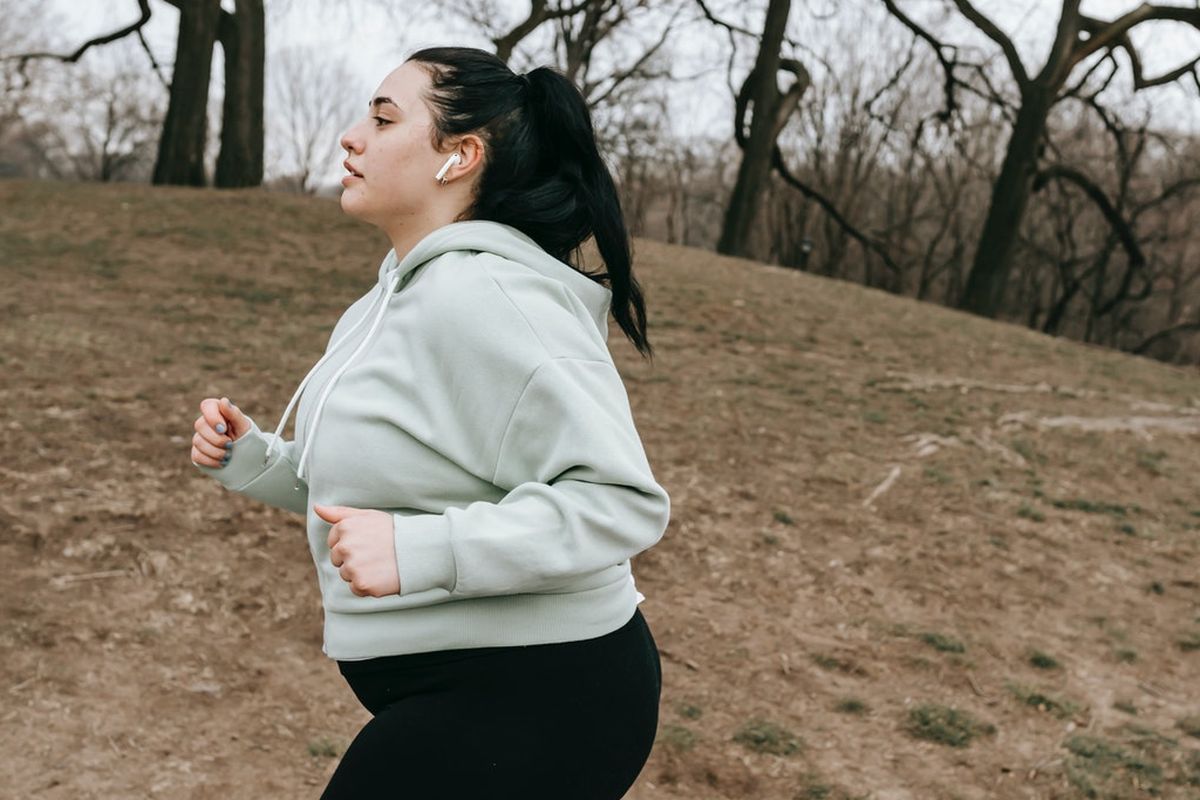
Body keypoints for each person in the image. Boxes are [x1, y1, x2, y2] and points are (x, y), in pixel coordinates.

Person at [188, 46, 670, 799]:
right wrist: (253, 458)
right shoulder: (393, 296)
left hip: (546, 691)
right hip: (465, 684)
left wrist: (423, 549)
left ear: (461, 157)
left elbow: (619, 501)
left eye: (383, 119)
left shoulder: (490, 297)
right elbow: (384, 488)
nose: (351, 136)